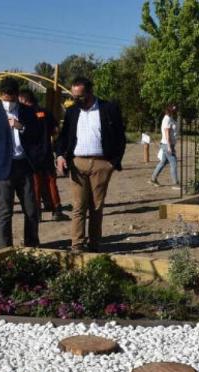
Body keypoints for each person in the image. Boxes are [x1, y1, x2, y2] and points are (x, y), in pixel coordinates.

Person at [55, 76, 126, 253]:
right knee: (79, 206)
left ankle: (94, 245)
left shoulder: (108, 108)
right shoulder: (72, 112)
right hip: (77, 163)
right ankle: (77, 245)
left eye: (79, 96)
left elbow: (120, 137)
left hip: (102, 164)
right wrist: (60, 156)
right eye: (74, 96)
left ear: (90, 92)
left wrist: (113, 163)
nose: (76, 100)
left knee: (96, 207)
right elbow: (63, 137)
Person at [0, 78, 43, 248]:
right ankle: (5, 249)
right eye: (4, 98)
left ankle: (31, 245)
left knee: (31, 210)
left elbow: (37, 135)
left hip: (24, 166)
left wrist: (21, 127)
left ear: (17, 95)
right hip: (2, 169)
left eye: (11, 98)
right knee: (5, 211)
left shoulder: (28, 112)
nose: (7, 101)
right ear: (1, 95)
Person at [19, 89, 68, 221]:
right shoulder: (46, 112)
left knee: (35, 184)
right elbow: (56, 131)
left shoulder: (23, 115)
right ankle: (57, 210)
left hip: (31, 155)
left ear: (24, 100)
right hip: (46, 152)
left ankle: (37, 213)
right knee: (51, 182)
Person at [150, 104, 179, 187]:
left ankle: (153, 179)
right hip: (167, 145)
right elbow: (167, 133)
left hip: (167, 144)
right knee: (173, 163)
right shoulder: (167, 119)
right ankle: (175, 183)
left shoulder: (170, 118)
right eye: (174, 109)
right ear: (170, 110)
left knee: (163, 162)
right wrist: (169, 146)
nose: (175, 111)